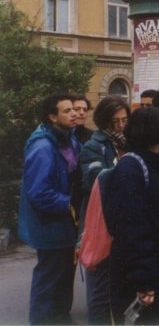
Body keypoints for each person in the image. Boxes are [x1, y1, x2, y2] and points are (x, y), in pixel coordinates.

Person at [105, 107, 159, 324]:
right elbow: (131, 231)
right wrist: (144, 281)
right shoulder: (132, 169)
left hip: (158, 272)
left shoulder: (153, 165)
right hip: (147, 280)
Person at [18, 93, 81, 325]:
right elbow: (39, 193)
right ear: (52, 117)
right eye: (67, 111)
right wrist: (70, 204)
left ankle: (61, 317)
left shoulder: (69, 138)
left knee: (65, 274)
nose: (74, 113)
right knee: (49, 276)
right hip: (50, 222)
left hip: (65, 220)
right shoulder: (43, 146)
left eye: (74, 108)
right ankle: (43, 320)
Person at [77, 96, 130, 324]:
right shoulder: (93, 145)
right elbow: (93, 179)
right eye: (114, 121)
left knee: (120, 292)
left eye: (124, 120)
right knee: (99, 294)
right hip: (99, 222)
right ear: (103, 121)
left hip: (122, 223)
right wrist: (124, 169)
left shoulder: (127, 142)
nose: (120, 126)